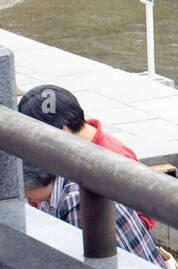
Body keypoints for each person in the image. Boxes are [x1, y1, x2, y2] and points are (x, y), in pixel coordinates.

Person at [17, 84, 157, 231]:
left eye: (38, 138)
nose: (36, 146)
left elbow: (144, 216)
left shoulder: (116, 158)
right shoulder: (60, 151)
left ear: (62, 130)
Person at [23, 164, 168, 269]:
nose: (27, 198)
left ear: (34, 183)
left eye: (26, 192)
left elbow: (81, 263)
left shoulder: (76, 201)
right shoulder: (61, 179)